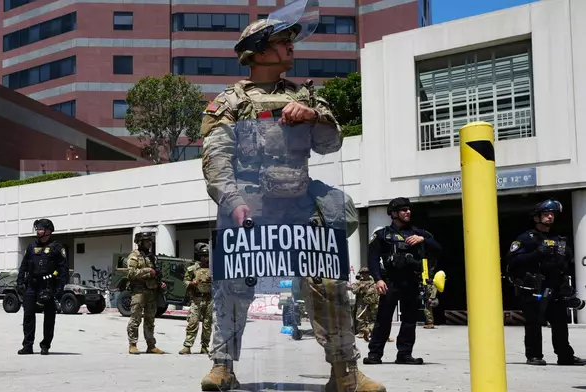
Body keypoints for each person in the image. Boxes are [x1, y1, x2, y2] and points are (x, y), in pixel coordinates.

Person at [199, 14, 386, 392]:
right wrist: (233, 201)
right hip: (251, 205)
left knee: (325, 282)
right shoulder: (228, 102)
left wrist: (313, 115)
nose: (291, 45)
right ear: (258, 52)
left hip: (300, 203)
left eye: (290, 40)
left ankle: (344, 372)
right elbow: (216, 159)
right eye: (282, 40)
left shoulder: (305, 96)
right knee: (234, 283)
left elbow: (331, 144)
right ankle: (223, 367)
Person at [504, 199, 586, 366]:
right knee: (534, 323)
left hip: (556, 288)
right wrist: (536, 254)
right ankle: (534, 356)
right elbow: (511, 262)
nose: (550, 217)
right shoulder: (526, 239)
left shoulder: (559, 238)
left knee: (560, 323)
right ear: (536, 217)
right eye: (546, 214)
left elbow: (565, 265)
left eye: (552, 214)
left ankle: (565, 356)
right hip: (533, 287)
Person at [363, 197, 442, 365]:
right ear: (393, 213)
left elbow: (439, 249)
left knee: (409, 320)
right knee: (383, 319)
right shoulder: (382, 234)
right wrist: (377, 279)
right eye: (403, 210)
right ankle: (375, 354)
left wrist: (423, 240)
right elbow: (373, 258)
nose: (408, 212)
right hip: (390, 282)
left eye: (408, 209)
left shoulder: (418, 233)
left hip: (412, 282)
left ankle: (404, 354)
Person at [16, 218, 68, 355]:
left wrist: (60, 288)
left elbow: (63, 269)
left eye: (40, 228)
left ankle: (45, 345)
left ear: (48, 231)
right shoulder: (31, 246)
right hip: (32, 285)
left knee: (49, 317)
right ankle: (27, 345)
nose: (37, 231)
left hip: (48, 286)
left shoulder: (57, 248)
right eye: (37, 228)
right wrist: (20, 281)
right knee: (28, 315)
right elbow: (24, 265)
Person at [126, 231, 165, 355]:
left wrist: (160, 283)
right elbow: (131, 273)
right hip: (139, 292)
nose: (149, 243)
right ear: (140, 242)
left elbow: (157, 273)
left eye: (150, 241)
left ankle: (151, 345)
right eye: (147, 241)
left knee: (150, 319)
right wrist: (147, 271)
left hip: (151, 291)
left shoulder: (152, 257)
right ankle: (133, 344)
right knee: (135, 318)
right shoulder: (134, 255)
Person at [179, 242, 213, 355]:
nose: (206, 258)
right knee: (192, 322)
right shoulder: (192, 269)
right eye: (203, 256)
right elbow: (184, 281)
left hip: (209, 299)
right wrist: (191, 283)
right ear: (200, 257)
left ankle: (204, 346)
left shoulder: (214, 269)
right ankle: (187, 346)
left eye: (207, 256)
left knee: (207, 324)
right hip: (196, 299)